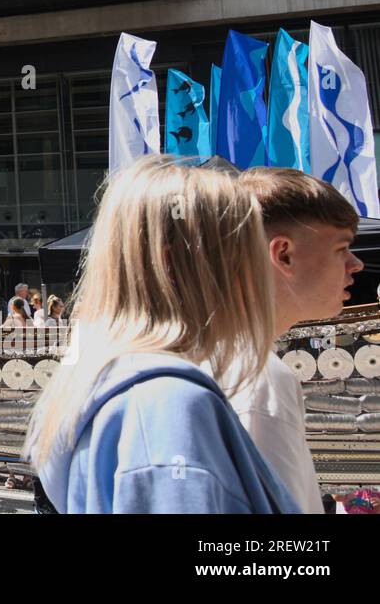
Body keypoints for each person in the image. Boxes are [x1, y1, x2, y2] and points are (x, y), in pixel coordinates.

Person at [25, 157, 297, 513]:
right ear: (173, 265)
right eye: (244, 249)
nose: (267, 266)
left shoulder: (115, 380)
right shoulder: (170, 406)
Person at [218, 168, 364, 514]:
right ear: (283, 254)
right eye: (341, 247)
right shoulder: (256, 378)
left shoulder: (227, 359)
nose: (356, 264)